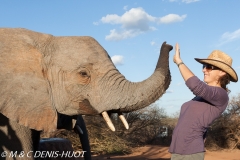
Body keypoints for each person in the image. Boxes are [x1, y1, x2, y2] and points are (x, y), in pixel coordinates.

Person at [169, 43, 238, 160]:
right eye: (204, 66)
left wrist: (179, 62)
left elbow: (195, 85)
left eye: (209, 67)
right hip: (179, 150)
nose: (204, 70)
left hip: (190, 152)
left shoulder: (221, 95)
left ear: (222, 72)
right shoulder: (200, 97)